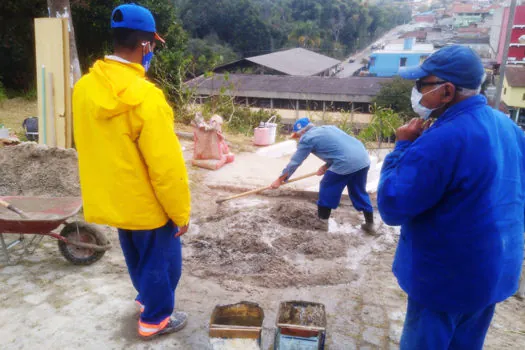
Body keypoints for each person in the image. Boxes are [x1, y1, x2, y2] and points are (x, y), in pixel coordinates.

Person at [377, 45, 525, 349]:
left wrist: (402, 147)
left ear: (446, 92)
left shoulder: (442, 139)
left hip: (446, 277)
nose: (416, 92)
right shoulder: (508, 127)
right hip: (493, 269)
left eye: (422, 85)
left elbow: (393, 206)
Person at [72, 4, 191, 340]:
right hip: (147, 204)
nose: (151, 49)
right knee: (164, 264)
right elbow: (166, 167)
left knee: (136, 255)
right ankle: (155, 319)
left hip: (114, 199)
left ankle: (145, 300)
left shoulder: (84, 88)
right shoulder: (147, 98)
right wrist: (180, 212)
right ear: (145, 45)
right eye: (152, 44)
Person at [271, 118, 375, 232]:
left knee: (327, 186)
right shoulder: (329, 128)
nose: (298, 139)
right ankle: (370, 224)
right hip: (363, 159)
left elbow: (295, 162)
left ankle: (322, 223)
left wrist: (280, 179)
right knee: (358, 191)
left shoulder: (307, 138)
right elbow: (341, 148)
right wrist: (326, 166)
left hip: (345, 162)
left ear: (302, 132)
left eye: (298, 136)